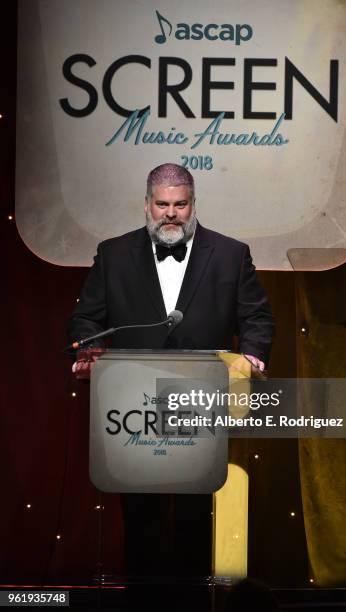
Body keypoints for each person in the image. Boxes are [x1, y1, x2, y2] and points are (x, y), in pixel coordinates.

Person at [68, 163, 274, 578]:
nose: (171, 214)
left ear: (193, 205)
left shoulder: (231, 254)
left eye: (180, 205)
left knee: (194, 514)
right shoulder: (113, 254)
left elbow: (256, 318)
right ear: (146, 205)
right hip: (132, 403)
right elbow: (86, 319)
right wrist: (88, 350)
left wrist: (253, 355)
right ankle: (142, 598)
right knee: (141, 515)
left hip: (200, 397)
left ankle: (193, 598)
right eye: (162, 204)